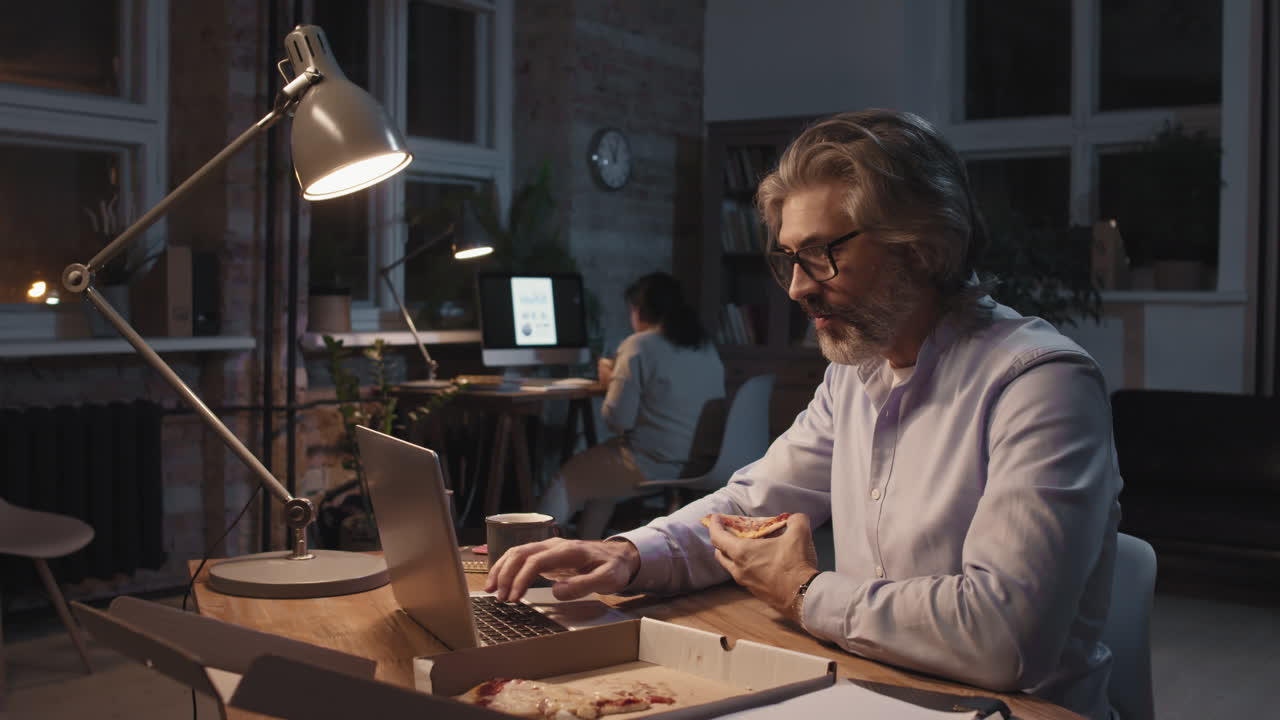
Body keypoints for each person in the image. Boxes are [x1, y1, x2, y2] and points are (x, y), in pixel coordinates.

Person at [490, 109, 1122, 720]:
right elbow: (749, 507)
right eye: (789, 258)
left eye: (822, 253)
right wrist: (627, 553)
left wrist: (802, 591)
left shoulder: (1040, 384)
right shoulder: (855, 373)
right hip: (875, 687)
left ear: (925, 246)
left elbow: (1002, 638)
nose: (797, 287)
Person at [537, 271, 725, 539]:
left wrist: (610, 383)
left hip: (654, 461)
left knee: (565, 480)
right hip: (700, 461)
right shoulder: (704, 346)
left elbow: (618, 420)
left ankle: (530, 547)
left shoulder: (638, 345)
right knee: (601, 489)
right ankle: (585, 554)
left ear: (638, 310)